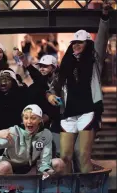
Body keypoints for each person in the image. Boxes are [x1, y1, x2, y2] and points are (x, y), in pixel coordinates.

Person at [47, 1, 111, 174]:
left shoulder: (94, 59)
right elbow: (53, 87)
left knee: (83, 155)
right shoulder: (65, 63)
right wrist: (51, 96)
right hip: (68, 113)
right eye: (74, 42)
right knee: (65, 156)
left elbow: (102, 39)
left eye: (80, 42)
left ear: (88, 44)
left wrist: (104, 18)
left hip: (88, 111)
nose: (76, 45)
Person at [0, 105, 65, 177]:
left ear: (40, 120)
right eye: (26, 118)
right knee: (3, 166)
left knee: (58, 163)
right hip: (11, 169)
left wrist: (48, 171)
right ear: (22, 120)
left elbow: (45, 162)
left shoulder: (46, 134)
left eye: (33, 118)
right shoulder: (13, 133)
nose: (29, 121)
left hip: (33, 169)